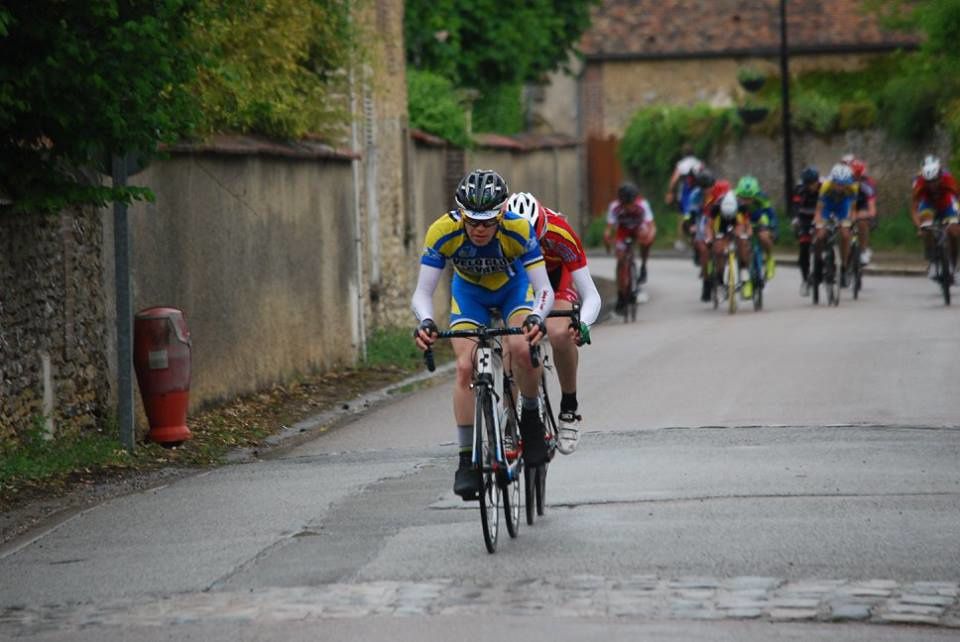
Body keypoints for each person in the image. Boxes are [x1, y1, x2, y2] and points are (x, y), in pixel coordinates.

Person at [412, 169, 555, 500]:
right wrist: (426, 321)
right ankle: (466, 462)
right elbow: (422, 293)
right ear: (460, 214)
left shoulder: (518, 229)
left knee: (520, 346)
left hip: (513, 290)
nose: (479, 229)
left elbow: (543, 288)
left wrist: (536, 316)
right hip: (470, 297)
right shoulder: (442, 231)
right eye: (472, 221)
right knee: (465, 367)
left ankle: (530, 420)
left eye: (487, 222)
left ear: (502, 213)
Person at [506, 192, 601, 455]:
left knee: (560, 333)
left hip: (556, 279)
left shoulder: (560, 232)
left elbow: (591, 294)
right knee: (511, 341)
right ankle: (507, 421)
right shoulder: (501, 230)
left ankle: (569, 408)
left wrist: (583, 324)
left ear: (542, 227)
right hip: (522, 282)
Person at [604, 182, 657, 309]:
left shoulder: (643, 205)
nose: (628, 207)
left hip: (638, 229)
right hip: (623, 231)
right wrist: (607, 241)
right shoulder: (614, 207)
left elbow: (651, 226)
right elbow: (609, 229)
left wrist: (649, 238)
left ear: (635, 199)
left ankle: (643, 264)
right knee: (621, 260)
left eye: (631, 203)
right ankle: (621, 293)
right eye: (625, 204)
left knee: (646, 236)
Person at [911, 155, 960, 281]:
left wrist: (957, 220)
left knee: (954, 232)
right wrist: (919, 227)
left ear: (940, 176)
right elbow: (915, 208)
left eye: (935, 180)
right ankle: (932, 261)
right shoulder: (919, 184)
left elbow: (957, 199)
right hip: (928, 204)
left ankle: (953, 266)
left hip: (947, 203)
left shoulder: (948, 179)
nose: (932, 185)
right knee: (927, 228)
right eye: (929, 182)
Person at [813, 163, 859, 287]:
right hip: (827, 207)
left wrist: (852, 221)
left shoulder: (852, 188)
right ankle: (818, 264)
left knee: (845, 235)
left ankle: (843, 267)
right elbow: (818, 210)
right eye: (837, 183)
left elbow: (853, 210)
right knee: (820, 235)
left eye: (843, 184)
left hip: (842, 207)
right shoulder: (825, 187)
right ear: (832, 181)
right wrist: (818, 223)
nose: (840, 187)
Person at [709, 191, 753, 298]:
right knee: (719, 248)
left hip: (737, 221)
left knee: (742, 240)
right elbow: (709, 226)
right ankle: (719, 279)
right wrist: (711, 238)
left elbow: (747, 225)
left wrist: (747, 235)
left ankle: (744, 272)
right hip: (721, 223)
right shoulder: (716, 207)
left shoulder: (741, 206)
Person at [734, 175, 778, 281]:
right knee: (742, 246)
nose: (746, 200)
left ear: (756, 194)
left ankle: (769, 258)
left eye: (750, 197)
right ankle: (746, 280)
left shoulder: (762, 198)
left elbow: (771, 214)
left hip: (759, 220)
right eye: (743, 197)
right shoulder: (734, 199)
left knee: (764, 236)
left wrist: (773, 228)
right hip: (743, 222)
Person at [791, 166, 821, 295]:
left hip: (819, 218)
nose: (811, 186)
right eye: (808, 184)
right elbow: (796, 207)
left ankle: (823, 267)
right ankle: (805, 280)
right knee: (804, 247)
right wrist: (796, 220)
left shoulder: (823, 189)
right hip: (804, 219)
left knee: (822, 242)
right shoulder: (800, 190)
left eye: (813, 183)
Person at [850, 159, 877, 265]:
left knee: (862, 221)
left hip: (862, 206)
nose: (856, 180)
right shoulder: (845, 183)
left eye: (859, 177)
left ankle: (863, 250)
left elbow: (871, 206)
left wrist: (871, 215)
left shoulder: (868, 184)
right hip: (848, 205)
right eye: (854, 177)